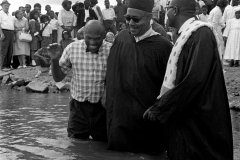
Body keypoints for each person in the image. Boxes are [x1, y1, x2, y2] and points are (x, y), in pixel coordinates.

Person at [143, 0, 233, 159]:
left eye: (168, 9)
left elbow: (195, 80)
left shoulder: (201, 34)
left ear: (175, 11)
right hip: (188, 115)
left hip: (200, 120)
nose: (166, 13)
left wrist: (161, 107)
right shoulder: (187, 33)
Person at [106, 0, 173, 153]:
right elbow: (111, 70)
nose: (130, 23)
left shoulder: (163, 47)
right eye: (127, 18)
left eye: (136, 19)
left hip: (146, 118)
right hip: (119, 115)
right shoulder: (122, 37)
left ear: (150, 18)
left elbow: (170, 86)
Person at [48, 20, 111, 141]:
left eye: (97, 39)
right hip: (78, 108)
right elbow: (58, 78)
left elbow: (116, 75)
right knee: (76, 144)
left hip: (102, 108)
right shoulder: (72, 48)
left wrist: (107, 91)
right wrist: (54, 60)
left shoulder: (111, 50)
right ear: (83, 34)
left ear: (104, 36)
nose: (92, 43)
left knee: (103, 142)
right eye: (89, 38)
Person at [0, 0, 15, 71]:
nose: (7, 6)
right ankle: (2, 66)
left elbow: (12, 25)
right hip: (4, 31)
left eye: (8, 5)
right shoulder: (0, 13)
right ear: (2, 6)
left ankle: (8, 65)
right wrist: (1, 34)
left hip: (11, 32)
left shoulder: (9, 15)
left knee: (10, 50)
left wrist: (13, 35)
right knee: (4, 49)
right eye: (5, 5)